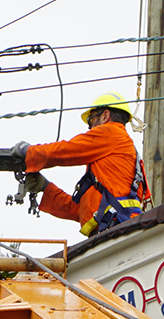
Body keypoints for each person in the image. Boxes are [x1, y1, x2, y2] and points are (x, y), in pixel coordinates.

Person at [11, 92, 149, 237]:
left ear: (105, 116)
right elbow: (79, 210)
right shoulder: (114, 161)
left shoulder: (111, 133)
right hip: (116, 229)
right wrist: (46, 187)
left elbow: (66, 151)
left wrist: (29, 152)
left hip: (116, 231)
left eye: (91, 120)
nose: (89, 128)